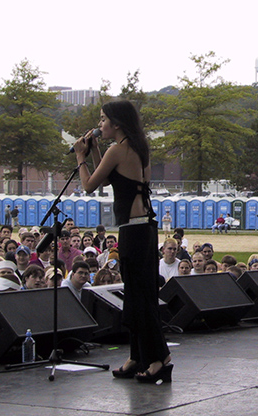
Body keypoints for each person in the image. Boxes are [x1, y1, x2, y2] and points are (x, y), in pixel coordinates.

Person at [73, 99, 171, 383]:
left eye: (103, 119)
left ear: (117, 123)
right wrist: (97, 152)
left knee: (139, 300)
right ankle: (137, 355)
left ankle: (159, 358)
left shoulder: (118, 150)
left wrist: (81, 156)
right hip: (144, 229)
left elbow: (90, 185)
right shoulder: (138, 148)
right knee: (140, 296)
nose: (100, 124)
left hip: (133, 231)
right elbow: (108, 179)